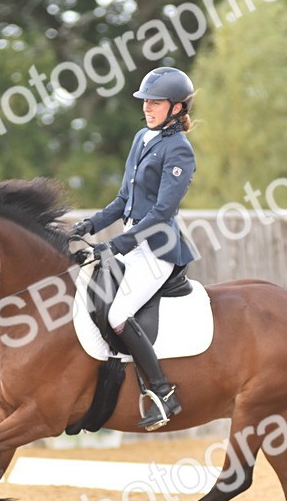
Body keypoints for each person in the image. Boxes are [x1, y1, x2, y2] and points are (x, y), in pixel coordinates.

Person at [71, 66, 198, 430]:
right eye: (145, 102)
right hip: (132, 243)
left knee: (117, 314)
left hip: (158, 249)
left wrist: (114, 244)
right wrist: (90, 224)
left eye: (156, 102)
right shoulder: (143, 137)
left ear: (176, 108)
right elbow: (123, 198)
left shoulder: (179, 150)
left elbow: (161, 214)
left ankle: (163, 392)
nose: (147, 108)